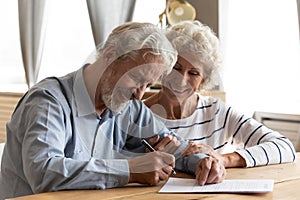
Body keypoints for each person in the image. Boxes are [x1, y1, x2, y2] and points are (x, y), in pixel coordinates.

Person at [0, 22, 225, 199]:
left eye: (148, 85)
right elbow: (44, 172)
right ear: (110, 56)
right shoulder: (48, 100)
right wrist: (129, 169)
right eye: (136, 78)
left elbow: (173, 146)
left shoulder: (127, 106)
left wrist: (204, 162)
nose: (139, 95)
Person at [144, 20, 296, 169]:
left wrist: (223, 159)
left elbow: (284, 147)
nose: (181, 80)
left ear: (204, 80)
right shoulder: (136, 114)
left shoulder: (217, 112)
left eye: (194, 73)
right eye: (175, 68)